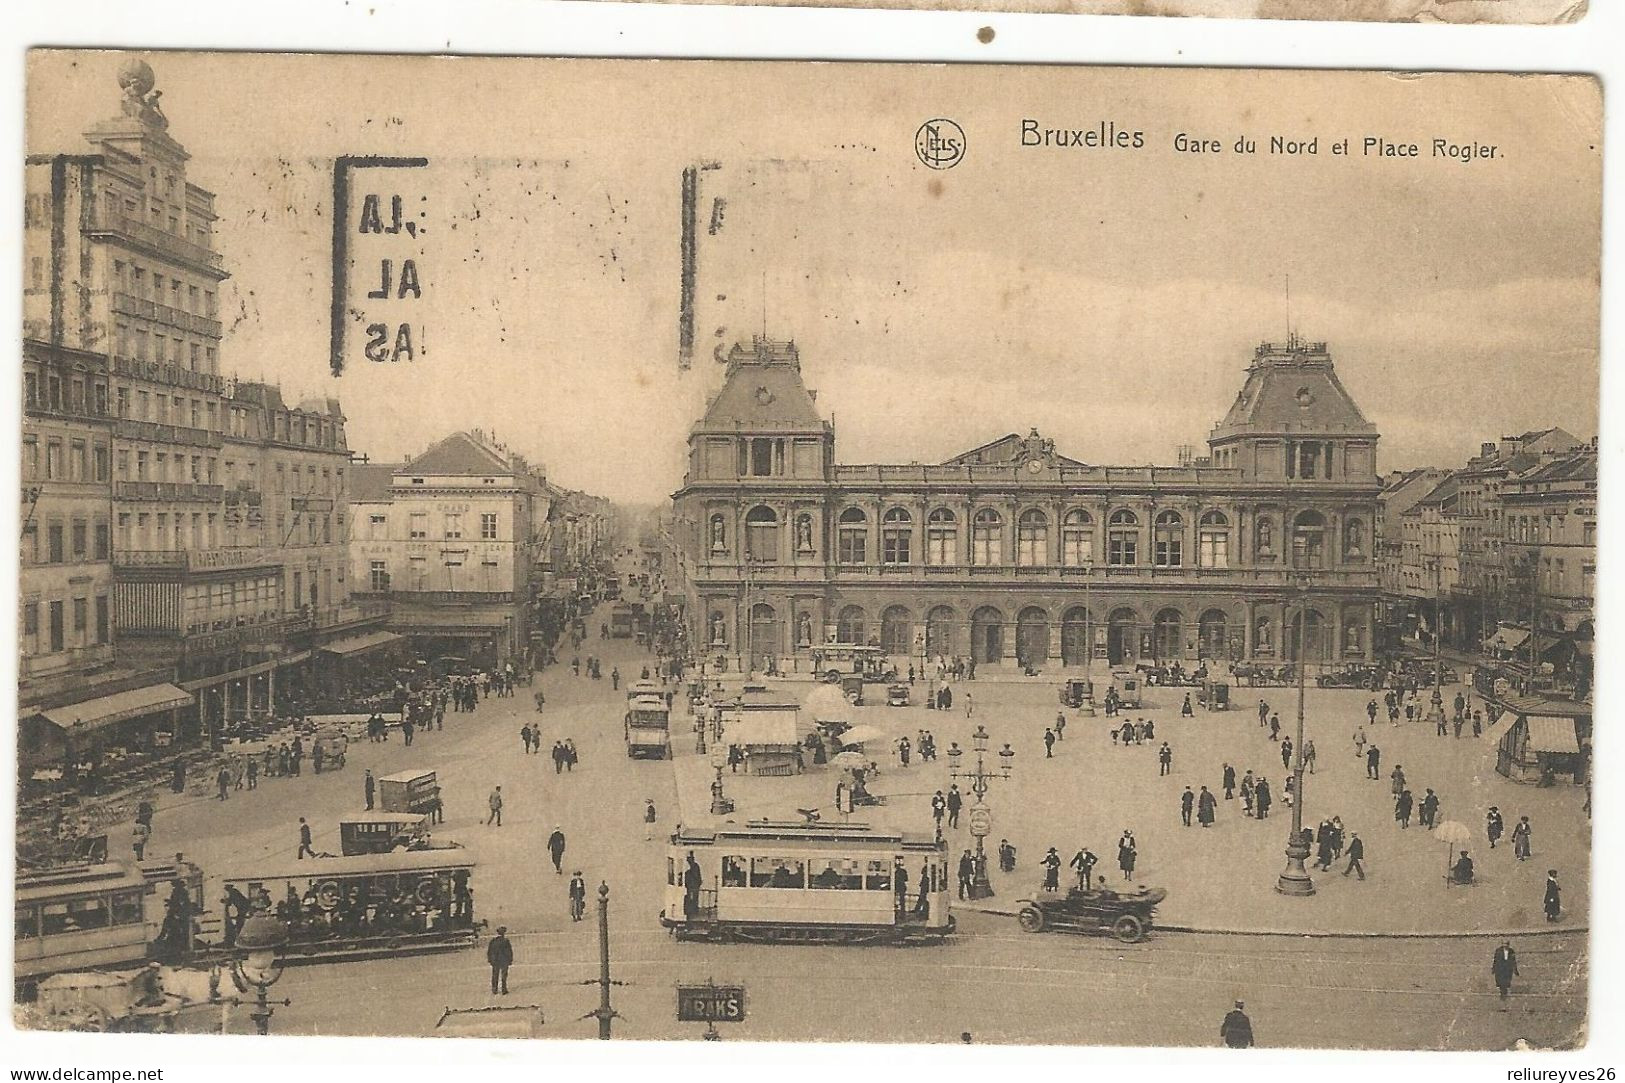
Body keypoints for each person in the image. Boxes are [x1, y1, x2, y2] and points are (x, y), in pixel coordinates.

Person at [487, 926, 513, 995]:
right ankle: (503, 989)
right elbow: (509, 951)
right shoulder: (505, 941)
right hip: (504, 960)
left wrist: (490, 960)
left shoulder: (493, 941)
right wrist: (510, 960)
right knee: (504, 975)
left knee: (495, 975)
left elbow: (489, 951)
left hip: (495, 960)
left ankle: (494, 989)